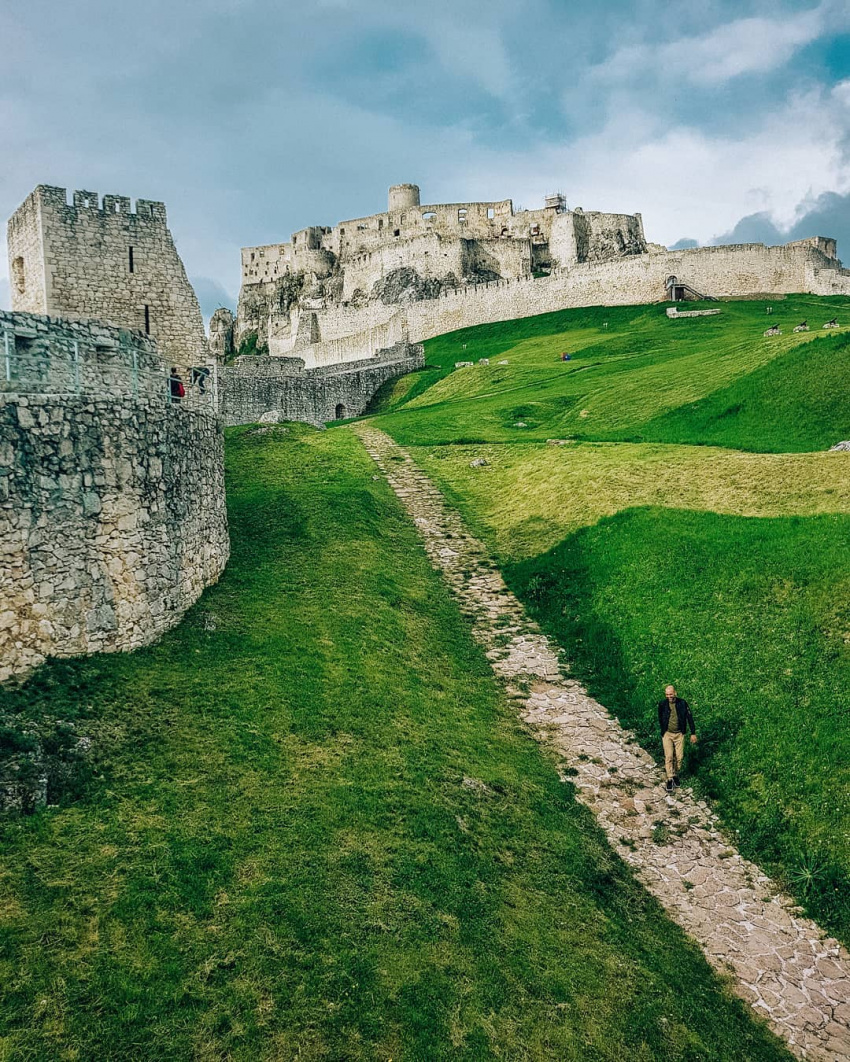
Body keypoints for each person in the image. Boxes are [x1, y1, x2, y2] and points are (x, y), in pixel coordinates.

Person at [657, 684, 697, 792]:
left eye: (671, 694)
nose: (669, 696)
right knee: (669, 756)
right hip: (667, 734)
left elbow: (689, 718)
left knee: (679, 757)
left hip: (679, 734)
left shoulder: (682, 703)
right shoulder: (662, 704)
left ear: (675, 693)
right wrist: (663, 730)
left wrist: (693, 733)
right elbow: (660, 717)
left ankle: (675, 774)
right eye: (667, 695)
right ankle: (670, 778)